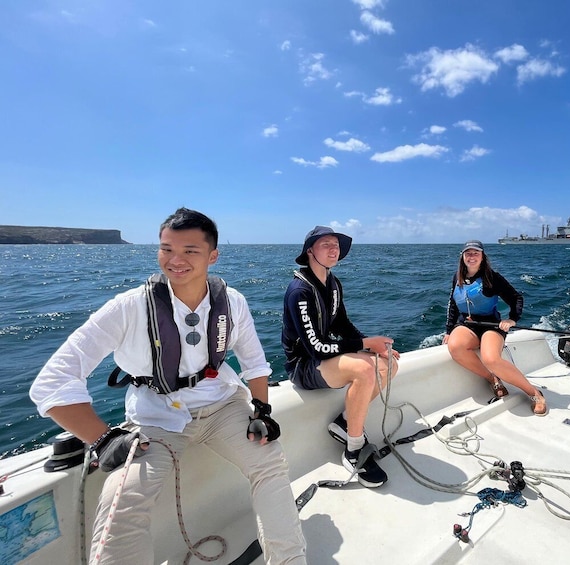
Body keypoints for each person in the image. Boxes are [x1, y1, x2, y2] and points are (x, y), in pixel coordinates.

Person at [29, 208, 306, 565]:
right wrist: (103, 437)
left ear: (213, 255)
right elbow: (52, 383)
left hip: (223, 407)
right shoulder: (128, 307)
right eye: (166, 249)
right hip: (156, 418)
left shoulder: (232, 302)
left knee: (270, 463)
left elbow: (255, 363)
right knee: (124, 501)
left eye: (190, 250)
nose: (175, 260)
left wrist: (262, 411)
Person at [282, 226, 400, 488]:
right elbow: (315, 348)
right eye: (326, 244)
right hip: (304, 366)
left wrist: (371, 347)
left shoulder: (333, 284)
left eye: (336, 244)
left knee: (389, 365)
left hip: (324, 358)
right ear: (310, 251)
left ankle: (345, 422)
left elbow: (342, 325)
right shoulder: (299, 292)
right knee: (363, 370)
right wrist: (364, 344)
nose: (333, 249)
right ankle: (353, 448)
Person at [443, 240, 547, 416]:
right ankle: (493, 379)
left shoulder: (492, 278)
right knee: (454, 346)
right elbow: (453, 304)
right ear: (462, 257)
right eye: (468, 253)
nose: (472, 256)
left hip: (491, 325)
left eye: (476, 253)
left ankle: (535, 393)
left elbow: (516, 298)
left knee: (491, 359)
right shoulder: (457, 277)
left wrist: (512, 319)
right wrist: (448, 330)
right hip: (467, 325)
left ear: (483, 256)